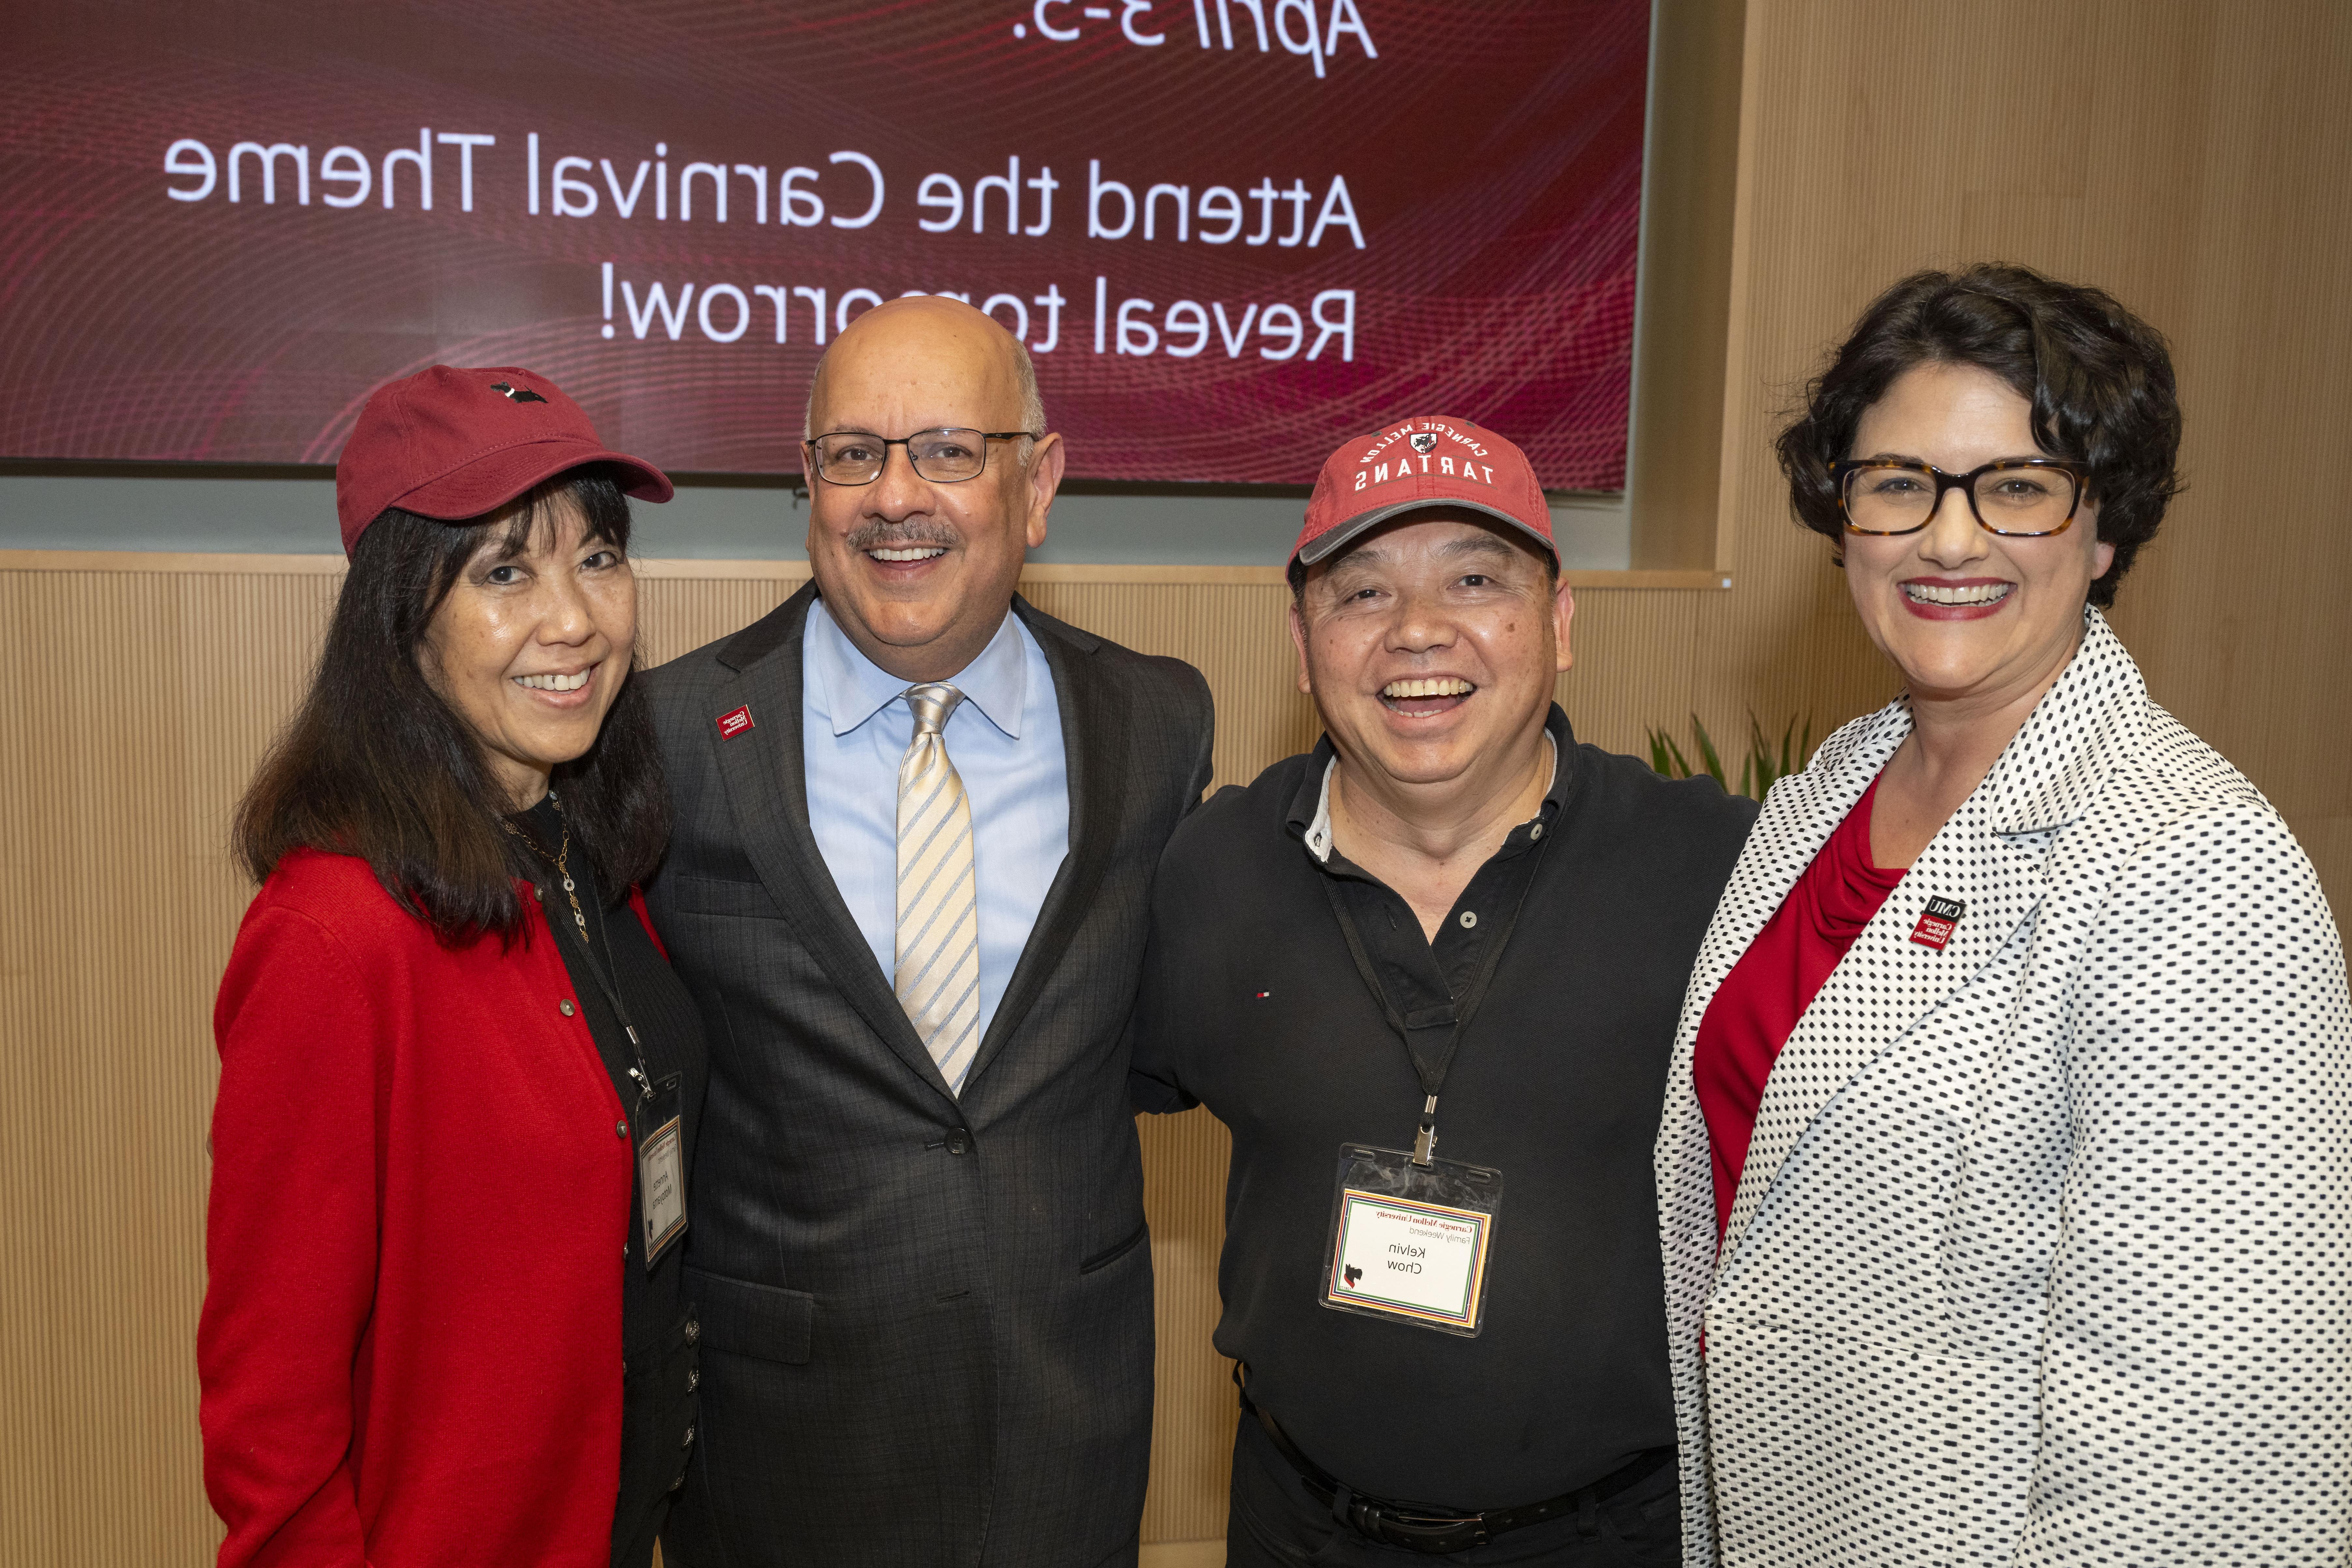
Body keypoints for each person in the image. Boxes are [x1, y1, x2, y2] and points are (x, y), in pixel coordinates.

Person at [1655, 264, 2352, 1564]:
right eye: (1899, 483)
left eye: (2017, 488)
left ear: (2104, 530)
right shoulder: (1825, 794)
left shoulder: (2196, 865)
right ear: (1843, 515)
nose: (1950, 540)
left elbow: (2204, 1443)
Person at [644, 295, 1215, 1568]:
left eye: (950, 450)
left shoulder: (1158, 728)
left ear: (1039, 480)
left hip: (1064, 1438)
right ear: (807, 481)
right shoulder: (668, 740)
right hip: (780, 1452)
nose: (896, 496)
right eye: (854, 453)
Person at [1128, 417, 1757, 1565]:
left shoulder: (1715, 870)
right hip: (1294, 1525)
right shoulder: (1209, 872)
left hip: (1608, 1535)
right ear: (1303, 639)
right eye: (1361, 593)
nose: (1419, 631)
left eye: (1475, 579)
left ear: (1560, 624)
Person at [200, 365, 709, 1567]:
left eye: (598, 557)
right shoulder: (333, 935)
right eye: (504, 571)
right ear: (401, 621)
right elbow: (269, 1427)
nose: (575, 619)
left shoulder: (591, 854)